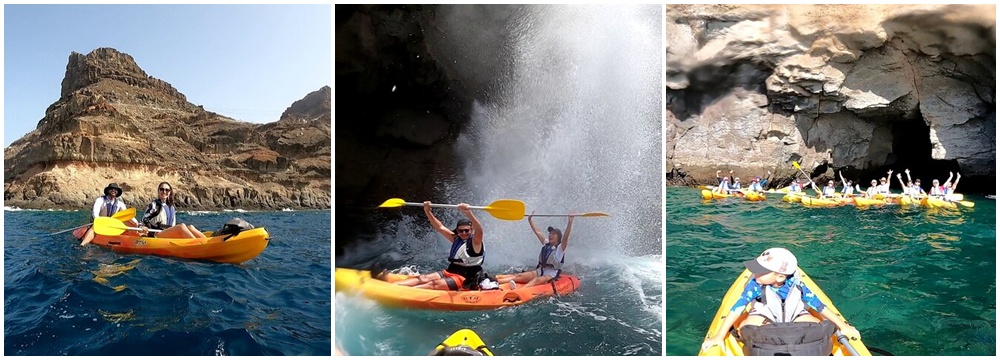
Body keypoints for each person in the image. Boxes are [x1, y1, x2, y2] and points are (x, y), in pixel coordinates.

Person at [700, 248, 861, 355]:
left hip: (787, 319)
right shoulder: (756, 286)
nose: (755, 274)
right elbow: (738, 308)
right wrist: (719, 336)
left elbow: (820, 307)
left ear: (780, 276)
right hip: (768, 318)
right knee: (745, 327)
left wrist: (844, 327)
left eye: (760, 271)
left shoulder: (796, 286)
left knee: (815, 323)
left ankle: (784, 341)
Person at [390, 202, 485, 290]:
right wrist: (427, 211)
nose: (464, 233)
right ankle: (393, 287)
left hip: (465, 278)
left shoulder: (476, 242)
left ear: (471, 229)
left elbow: (479, 231)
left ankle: (404, 292)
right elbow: (440, 227)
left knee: (433, 284)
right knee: (423, 278)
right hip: (451, 271)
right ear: (457, 231)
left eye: (466, 230)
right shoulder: (456, 239)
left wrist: (468, 213)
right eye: (461, 231)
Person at [496, 211, 575, 289]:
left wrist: (570, 222)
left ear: (558, 237)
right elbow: (538, 232)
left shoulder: (560, 248)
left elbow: (566, 237)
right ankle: (495, 282)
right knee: (519, 276)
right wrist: (530, 220)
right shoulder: (546, 243)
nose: (550, 235)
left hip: (550, 274)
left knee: (536, 280)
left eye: (553, 234)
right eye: (550, 233)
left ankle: (518, 291)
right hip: (539, 271)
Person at [139, 182, 206, 238]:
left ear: (170, 192)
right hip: (157, 234)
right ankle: (197, 244)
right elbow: (143, 220)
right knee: (181, 226)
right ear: (158, 191)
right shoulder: (153, 205)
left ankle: (205, 242)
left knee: (191, 227)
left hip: (168, 233)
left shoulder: (171, 207)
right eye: (161, 189)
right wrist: (143, 227)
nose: (164, 192)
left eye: (167, 190)